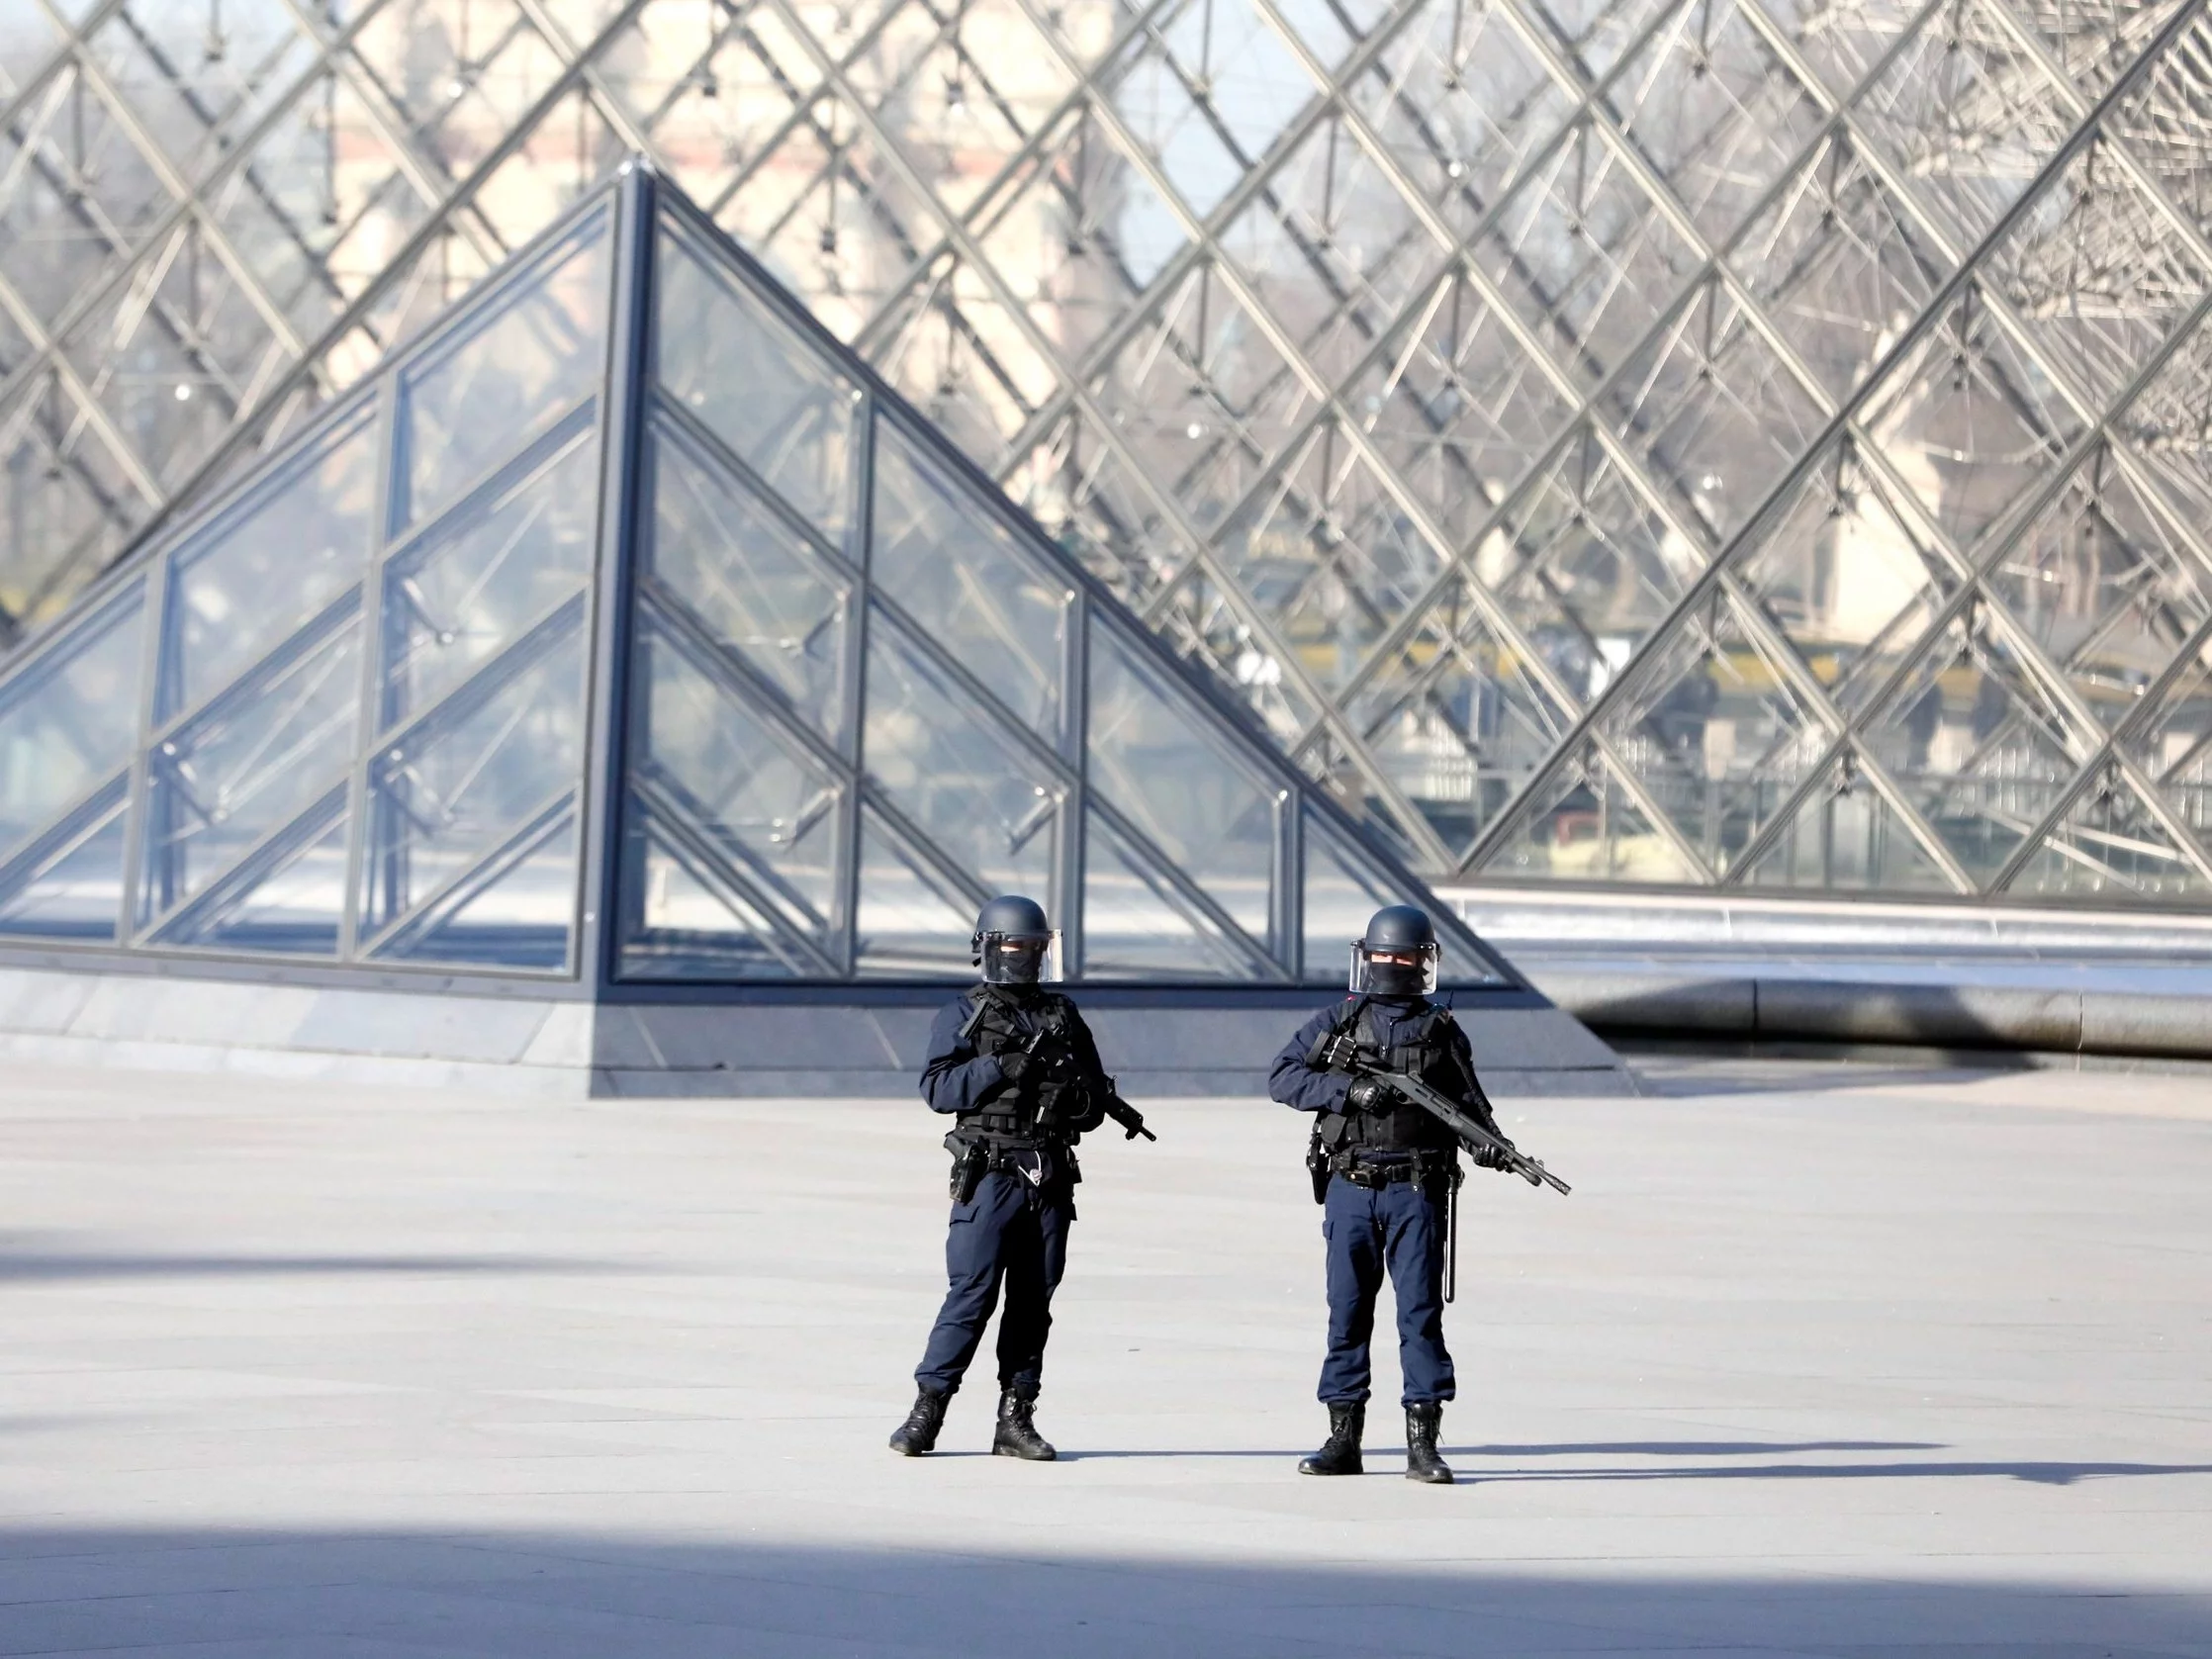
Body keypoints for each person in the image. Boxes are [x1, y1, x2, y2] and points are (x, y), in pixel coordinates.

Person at [887, 894, 1147, 1460]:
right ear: (987, 949)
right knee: (971, 1294)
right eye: (1012, 947)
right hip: (990, 1172)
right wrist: (998, 1066)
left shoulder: (1061, 1014)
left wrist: (1066, 1098)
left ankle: (1016, 1417)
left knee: (1034, 1300)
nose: (1023, 958)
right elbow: (937, 1090)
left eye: (1032, 948)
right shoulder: (964, 1014)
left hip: (1048, 1175)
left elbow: (1093, 1100)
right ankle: (926, 1411)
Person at [1267, 904, 1520, 1484]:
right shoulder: (1339, 1021)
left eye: (1402, 957)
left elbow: (1471, 1109)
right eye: (1385, 956)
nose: (1393, 965)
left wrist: (1491, 1147)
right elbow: (1282, 1076)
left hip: (1417, 1190)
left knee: (1419, 1317)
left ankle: (1422, 1442)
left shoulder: (1441, 1030)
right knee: (1347, 1315)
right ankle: (1343, 1437)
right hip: (1351, 1186)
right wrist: (1348, 1092)